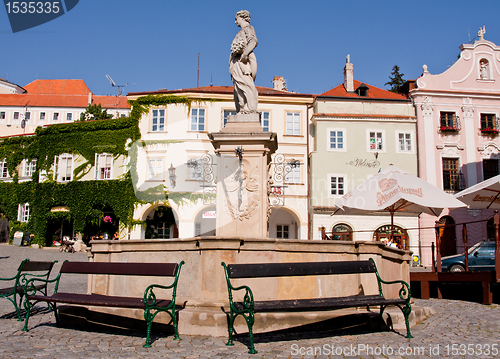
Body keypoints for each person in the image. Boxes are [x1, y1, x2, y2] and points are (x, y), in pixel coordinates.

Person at [229, 10, 258, 114]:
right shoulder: (240, 31)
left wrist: (245, 53)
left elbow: (253, 41)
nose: (236, 22)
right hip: (237, 62)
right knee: (238, 88)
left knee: (246, 84)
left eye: (236, 19)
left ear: (242, 18)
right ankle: (242, 109)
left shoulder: (248, 29)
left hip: (243, 62)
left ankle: (249, 108)